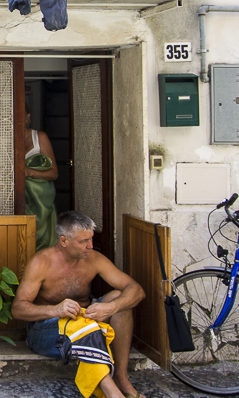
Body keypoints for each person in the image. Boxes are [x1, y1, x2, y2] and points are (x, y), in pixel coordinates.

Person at [12, 211, 146, 398]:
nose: (90, 246)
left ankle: (122, 378)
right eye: (83, 241)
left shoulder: (93, 258)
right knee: (86, 327)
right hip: (46, 330)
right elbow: (17, 309)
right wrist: (56, 309)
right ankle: (113, 394)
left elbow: (136, 289)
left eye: (91, 239)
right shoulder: (41, 262)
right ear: (64, 241)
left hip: (85, 321)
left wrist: (111, 307)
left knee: (119, 299)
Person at [23, 103, 58, 250]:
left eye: (19, 115)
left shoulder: (39, 137)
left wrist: (29, 172)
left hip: (41, 202)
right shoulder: (3, 140)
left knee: (43, 244)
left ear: (27, 117)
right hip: (20, 201)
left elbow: (54, 173)